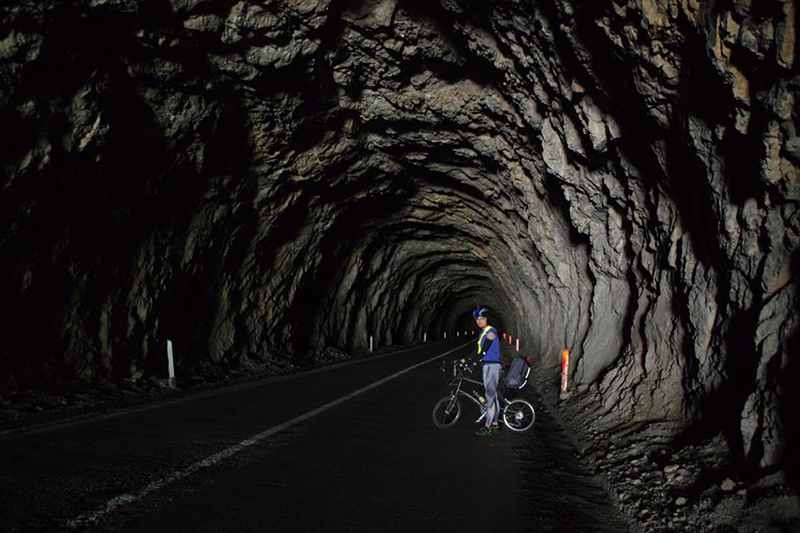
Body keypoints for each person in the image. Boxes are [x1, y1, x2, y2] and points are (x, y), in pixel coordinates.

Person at [462, 306, 501, 436]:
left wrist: (474, 364)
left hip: (492, 366)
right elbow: (478, 351)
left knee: (489, 397)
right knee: (492, 396)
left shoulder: (491, 332)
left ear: (487, 319)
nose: (479, 321)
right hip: (487, 366)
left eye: (482, 318)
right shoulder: (482, 332)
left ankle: (488, 427)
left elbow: (484, 350)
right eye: (477, 319)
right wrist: (466, 360)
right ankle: (494, 423)